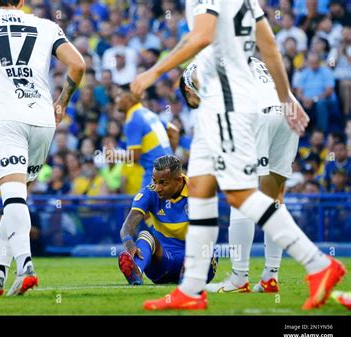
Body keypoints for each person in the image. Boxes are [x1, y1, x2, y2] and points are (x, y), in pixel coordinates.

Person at [130, 0, 345, 311]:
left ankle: (310, 265)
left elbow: (201, 37)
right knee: (209, 188)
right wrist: (286, 97)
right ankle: (202, 287)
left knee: (239, 193)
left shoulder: (201, 22)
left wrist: (154, 72)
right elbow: (269, 44)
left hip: (234, 107)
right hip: (271, 107)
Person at [0, 0, 85, 296]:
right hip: (42, 119)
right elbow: (78, 64)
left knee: (13, 199)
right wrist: (61, 103)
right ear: (22, 2)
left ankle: (25, 267)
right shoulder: (47, 26)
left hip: (7, 120)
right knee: (16, 199)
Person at [179, 58, 300, 293]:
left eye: (193, 103)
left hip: (256, 115)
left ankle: (239, 278)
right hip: (287, 110)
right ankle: (270, 276)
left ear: (187, 90)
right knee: (275, 198)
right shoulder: (246, 56)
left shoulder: (195, 69)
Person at [118, 155, 217, 285]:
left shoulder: (198, 191)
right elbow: (129, 223)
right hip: (164, 263)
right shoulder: (150, 192)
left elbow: (208, 230)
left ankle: (188, 275)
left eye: (163, 183)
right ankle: (135, 272)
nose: (157, 187)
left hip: (195, 257)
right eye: (155, 181)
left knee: (207, 245)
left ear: (178, 180)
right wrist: (128, 242)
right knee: (145, 235)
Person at [115, 84, 178, 188]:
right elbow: (174, 131)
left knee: (141, 204)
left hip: (155, 173)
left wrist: (114, 155)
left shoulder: (132, 121)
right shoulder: (149, 113)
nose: (116, 100)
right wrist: (170, 156)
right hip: (172, 170)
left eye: (119, 96)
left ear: (128, 99)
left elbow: (134, 157)